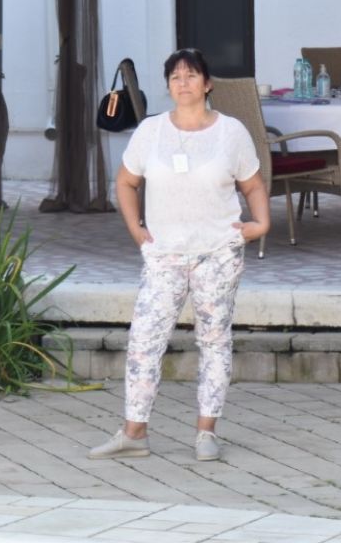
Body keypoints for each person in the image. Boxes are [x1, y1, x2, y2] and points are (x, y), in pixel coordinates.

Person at [89, 49, 270, 463]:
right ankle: (134, 433)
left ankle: (206, 432)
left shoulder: (231, 131)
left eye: (191, 75)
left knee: (214, 340)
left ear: (207, 84)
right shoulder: (150, 131)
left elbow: (253, 185)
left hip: (218, 252)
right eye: (175, 77)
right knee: (144, 341)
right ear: (168, 86)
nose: (183, 83)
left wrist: (260, 224)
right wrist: (136, 229)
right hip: (164, 254)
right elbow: (126, 182)